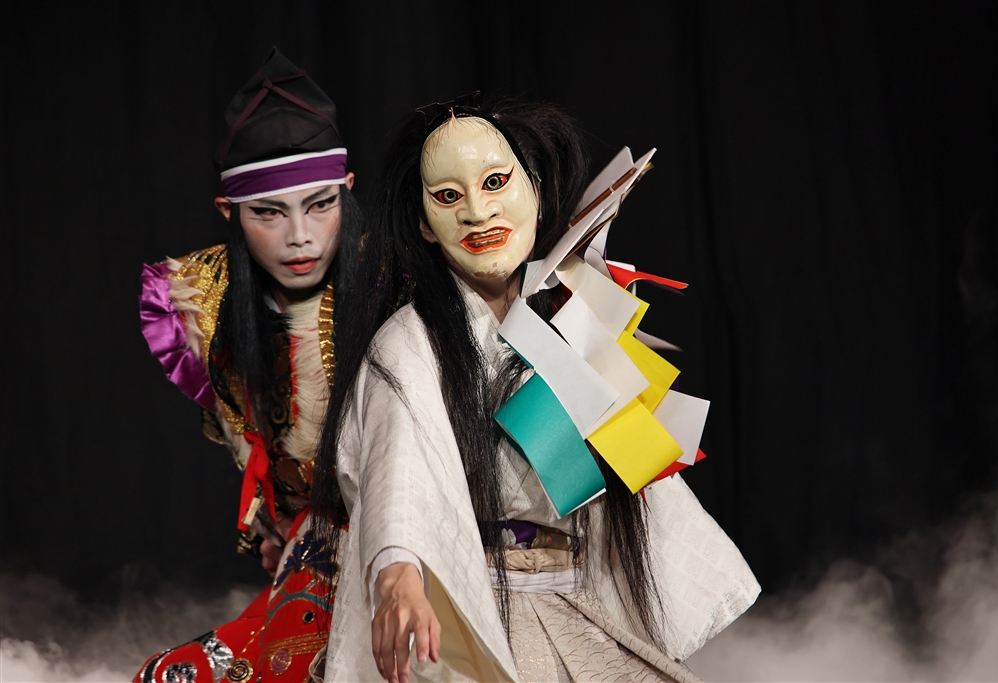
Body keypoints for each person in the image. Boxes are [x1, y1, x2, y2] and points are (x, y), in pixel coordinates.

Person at [311, 97, 759, 683]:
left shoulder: (572, 321)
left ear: (537, 191)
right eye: (447, 196)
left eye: (496, 182)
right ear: (423, 223)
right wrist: (397, 574)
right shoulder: (409, 343)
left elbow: (635, 478)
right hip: (472, 612)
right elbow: (398, 471)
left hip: (579, 602)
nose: (478, 212)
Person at [135, 48, 362, 683]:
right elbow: (262, 449)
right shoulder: (204, 304)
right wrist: (280, 528)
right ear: (228, 212)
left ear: (347, 191)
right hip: (314, 554)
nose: (300, 235)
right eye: (268, 212)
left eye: (320, 204)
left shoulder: (394, 289)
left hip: (419, 546)